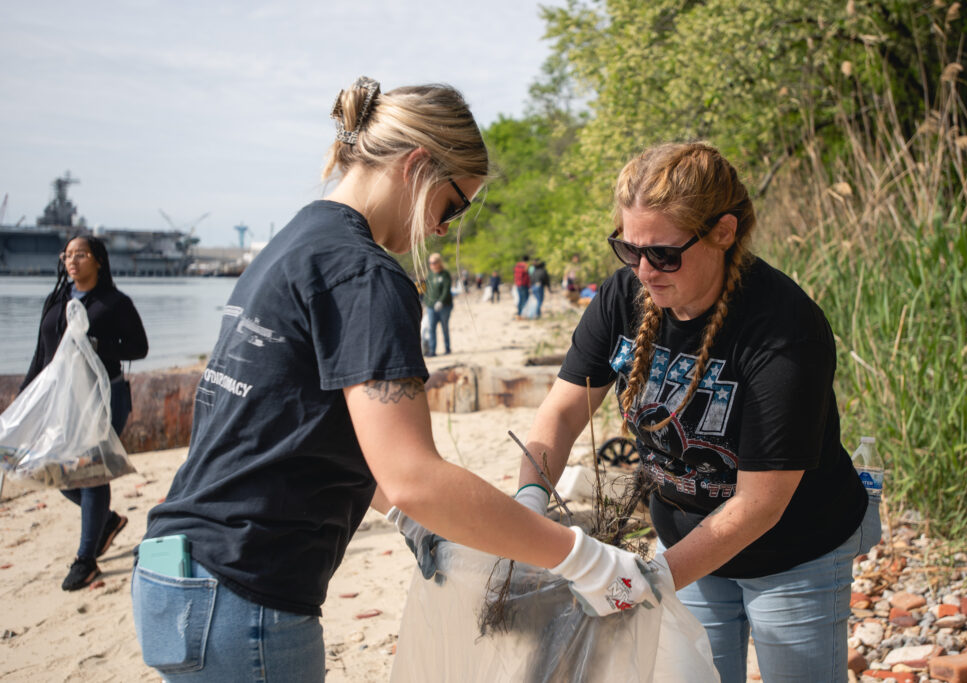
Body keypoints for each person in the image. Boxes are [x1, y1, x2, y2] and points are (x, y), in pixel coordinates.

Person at [131, 77, 659, 683]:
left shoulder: (294, 244)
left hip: (179, 573)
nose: (442, 229)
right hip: (248, 590)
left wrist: (409, 518)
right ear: (418, 166)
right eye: (454, 205)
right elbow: (412, 476)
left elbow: (305, 426)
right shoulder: (366, 274)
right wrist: (580, 557)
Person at [514, 142, 881, 683]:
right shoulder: (623, 296)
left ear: (723, 232)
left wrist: (640, 584)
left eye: (662, 254)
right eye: (628, 249)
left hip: (797, 548)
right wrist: (528, 502)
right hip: (686, 540)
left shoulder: (785, 329)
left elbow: (759, 505)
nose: (643, 271)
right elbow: (564, 412)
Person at [21, 234, 148, 591]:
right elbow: (40, 352)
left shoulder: (114, 303)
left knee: (91, 473)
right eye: (68, 255)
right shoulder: (56, 299)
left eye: (81, 255)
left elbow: (139, 347)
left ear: (99, 261)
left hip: (104, 398)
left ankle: (85, 559)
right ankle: (105, 521)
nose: (72, 261)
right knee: (52, 470)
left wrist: (97, 345)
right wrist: (25, 397)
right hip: (60, 400)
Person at [422, 252, 453, 356]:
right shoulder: (430, 275)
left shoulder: (445, 274)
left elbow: (446, 289)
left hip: (445, 306)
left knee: (444, 327)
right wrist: (426, 303)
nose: (432, 265)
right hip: (431, 306)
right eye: (430, 263)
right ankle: (432, 350)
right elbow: (427, 290)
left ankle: (447, 348)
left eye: (434, 262)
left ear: (439, 262)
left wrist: (441, 301)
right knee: (431, 328)